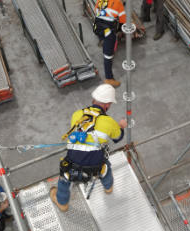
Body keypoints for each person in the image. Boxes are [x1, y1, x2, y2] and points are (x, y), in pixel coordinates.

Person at [50, 84, 127, 212]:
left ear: (93, 100)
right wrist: (121, 126)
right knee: (105, 167)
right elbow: (118, 137)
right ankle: (108, 187)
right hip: (96, 166)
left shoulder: (77, 115)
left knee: (65, 177)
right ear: (107, 105)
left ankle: (62, 203)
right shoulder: (109, 123)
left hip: (72, 164)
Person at [94, 0, 126, 87]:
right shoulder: (118, 3)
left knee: (106, 44)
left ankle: (107, 55)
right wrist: (119, 30)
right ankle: (109, 79)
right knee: (108, 55)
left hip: (99, 29)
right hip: (108, 32)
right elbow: (123, 21)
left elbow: (95, 11)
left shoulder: (100, 1)